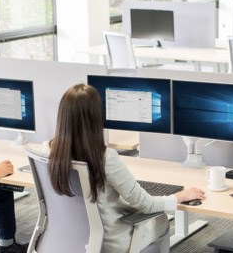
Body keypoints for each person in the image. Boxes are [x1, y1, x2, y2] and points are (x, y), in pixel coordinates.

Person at [43, 83, 205, 253]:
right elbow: (147, 205)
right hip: (109, 244)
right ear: (97, 118)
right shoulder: (105, 158)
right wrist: (179, 196)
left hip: (69, 239)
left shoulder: (48, 149)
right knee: (162, 219)